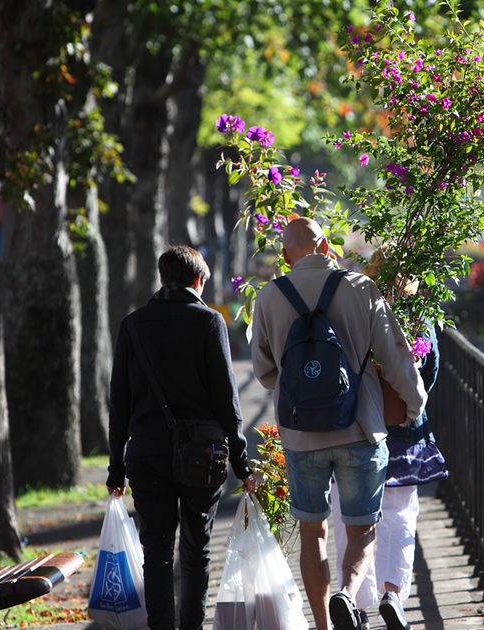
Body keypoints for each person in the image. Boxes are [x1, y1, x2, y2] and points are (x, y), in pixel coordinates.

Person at [251, 217, 427, 630]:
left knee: (312, 529)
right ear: (326, 245)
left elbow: (262, 370)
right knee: (362, 527)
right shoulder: (362, 288)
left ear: (285, 254)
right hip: (359, 429)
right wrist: (414, 404)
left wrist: (301, 390)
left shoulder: (269, 297)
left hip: (300, 435)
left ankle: (323, 624)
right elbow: (396, 354)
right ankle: (347, 595)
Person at [107, 245, 256, 630]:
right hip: (201, 454)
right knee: (196, 550)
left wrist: (115, 468)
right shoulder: (209, 322)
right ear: (198, 281)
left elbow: (119, 402)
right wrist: (242, 464)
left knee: (155, 550)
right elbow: (227, 400)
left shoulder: (133, 325)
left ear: (162, 279)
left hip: (146, 452)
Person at [330, 255, 447, 630]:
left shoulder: (354, 313)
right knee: (400, 516)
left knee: (349, 518)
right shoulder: (418, 317)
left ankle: (356, 604)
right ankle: (392, 594)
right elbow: (428, 373)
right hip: (404, 430)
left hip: (358, 428)